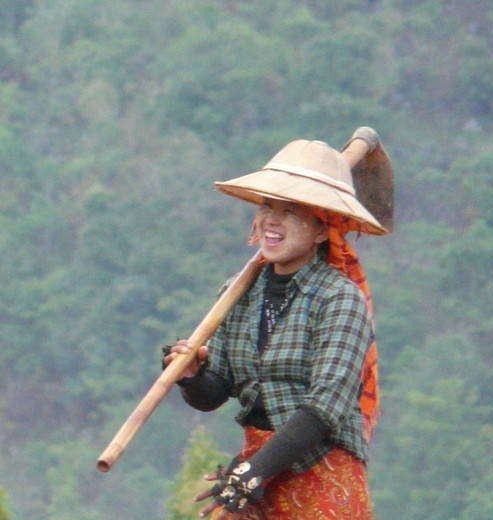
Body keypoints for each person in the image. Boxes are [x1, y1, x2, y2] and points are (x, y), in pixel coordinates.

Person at [164, 139, 387, 518]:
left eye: (291, 211)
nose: (271, 219)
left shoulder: (339, 299)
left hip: (320, 474)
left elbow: (324, 409)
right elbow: (216, 391)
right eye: (268, 206)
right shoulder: (239, 295)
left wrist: (253, 473)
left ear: (320, 231)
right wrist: (192, 376)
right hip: (256, 476)